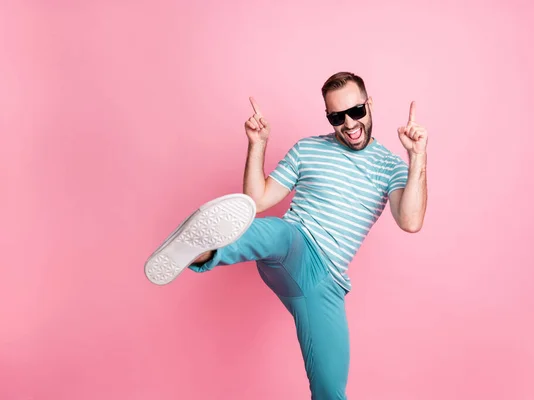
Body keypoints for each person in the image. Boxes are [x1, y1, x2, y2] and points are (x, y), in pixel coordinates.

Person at [144, 71, 428, 399]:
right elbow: (256, 201)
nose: (349, 124)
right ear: (328, 117)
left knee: (330, 388)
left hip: (327, 285)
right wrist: (257, 144)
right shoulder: (307, 150)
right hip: (294, 246)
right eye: (337, 116)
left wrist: (417, 155)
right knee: (280, 232)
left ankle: (204, 248)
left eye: (356, 112)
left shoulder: (391, 167)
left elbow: (410, 221)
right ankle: (203, 250)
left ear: (370, 105)